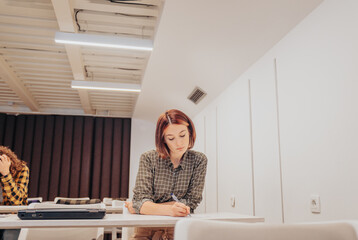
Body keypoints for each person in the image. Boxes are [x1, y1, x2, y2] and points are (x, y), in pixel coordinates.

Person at [125, 109, 208, 240]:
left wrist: (143, 207)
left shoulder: (199, 160)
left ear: (190, 132)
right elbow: (140, 201)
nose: (179, 143)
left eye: (182, 135)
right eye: (171, 138)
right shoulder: (148, 158)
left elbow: (191, 203)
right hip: (147, 227)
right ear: (163, 139)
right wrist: (170, 209)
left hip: (179, 227)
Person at [0, 146, 29, 240]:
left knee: (10, 235)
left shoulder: (21, 169)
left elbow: (18, 202)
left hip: (13, 218)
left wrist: (6, 174)